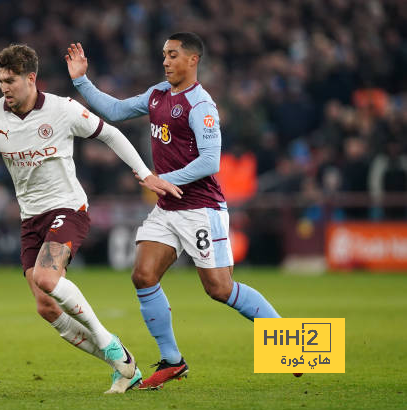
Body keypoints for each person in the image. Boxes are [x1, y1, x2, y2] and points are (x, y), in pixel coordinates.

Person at [0, 44, 182, 394]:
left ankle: (108, 342)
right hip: (30, 219)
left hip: (68, 209)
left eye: (10, 80)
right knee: (46, 306)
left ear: (31, 78)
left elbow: (109, 132)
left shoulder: (63, 110)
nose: (4, 87)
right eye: (0, 80)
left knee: (49, 279)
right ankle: (123, 365)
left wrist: (143, 173)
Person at [66, 32, 291, 389]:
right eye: (164, 55)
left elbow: (210, 161)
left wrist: (161, 178)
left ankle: (289, 345)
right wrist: (81, 79)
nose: (166, 61)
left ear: (192, 60)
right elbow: (115, 110)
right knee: (142, 275)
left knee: (219, 288)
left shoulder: (201, 105)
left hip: (202, 208)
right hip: (168, 208)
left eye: (173, 55)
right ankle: (172, 361)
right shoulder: (157, 95)